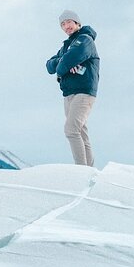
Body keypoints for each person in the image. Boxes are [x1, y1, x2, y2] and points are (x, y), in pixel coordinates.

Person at [46, 10, 100, 166]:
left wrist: (62, 66)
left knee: (71, 130)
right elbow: (49, 65)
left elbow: (67, 61)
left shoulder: (85, 39)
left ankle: (81, 170)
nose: (66, 26)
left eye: (69, 22)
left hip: (83, 92)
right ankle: (89, 170)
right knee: (81, 132)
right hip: (69, 93)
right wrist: (64, 63)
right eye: (63, 24)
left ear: (77, 23)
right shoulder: (66, 46)